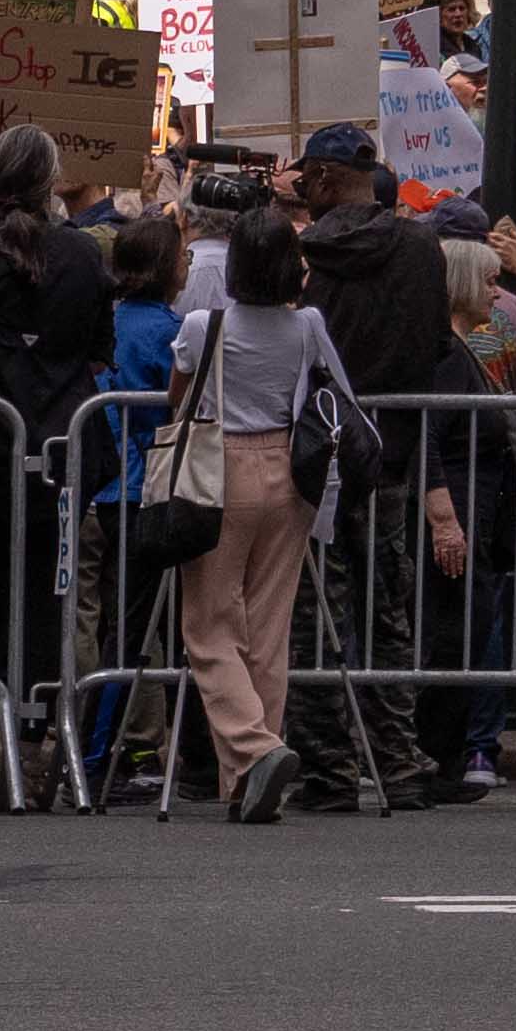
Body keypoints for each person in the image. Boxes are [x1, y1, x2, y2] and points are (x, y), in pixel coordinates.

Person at [165, 211, 364, 818]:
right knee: (269, 630)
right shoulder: (306, 325)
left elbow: (180, 398)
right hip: (289, 473)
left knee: (209, 624)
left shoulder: (205, 324)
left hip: (218, 467)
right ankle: (248, 783)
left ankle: (254, 750)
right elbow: (338, 391)